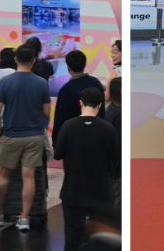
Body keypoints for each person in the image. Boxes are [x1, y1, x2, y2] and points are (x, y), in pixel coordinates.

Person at [0, 44, 50, 231]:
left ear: (15, 60)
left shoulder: (5, 82)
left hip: (10, 135)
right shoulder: (41, 83)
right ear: (34, 60)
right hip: (34, 135)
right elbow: (46, 113)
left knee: (2, 176)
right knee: (29, 176)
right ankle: (24, 218)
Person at [53, 88, 120, 251]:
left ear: (81, 103)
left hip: (73, 191)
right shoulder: (108, 128)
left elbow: (58, 154)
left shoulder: (68, 126)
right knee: (101, 238)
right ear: (100, 105)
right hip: (102, 192)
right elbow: (116, 157)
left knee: (72, 235)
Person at [52, 50, 104, 146]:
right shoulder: (95, 83)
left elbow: (60, 119)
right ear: (84, 64)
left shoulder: (66, 90)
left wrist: (56, 143)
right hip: (97, 138)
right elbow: (102, 110)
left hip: (73, 141)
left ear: (68, 67)